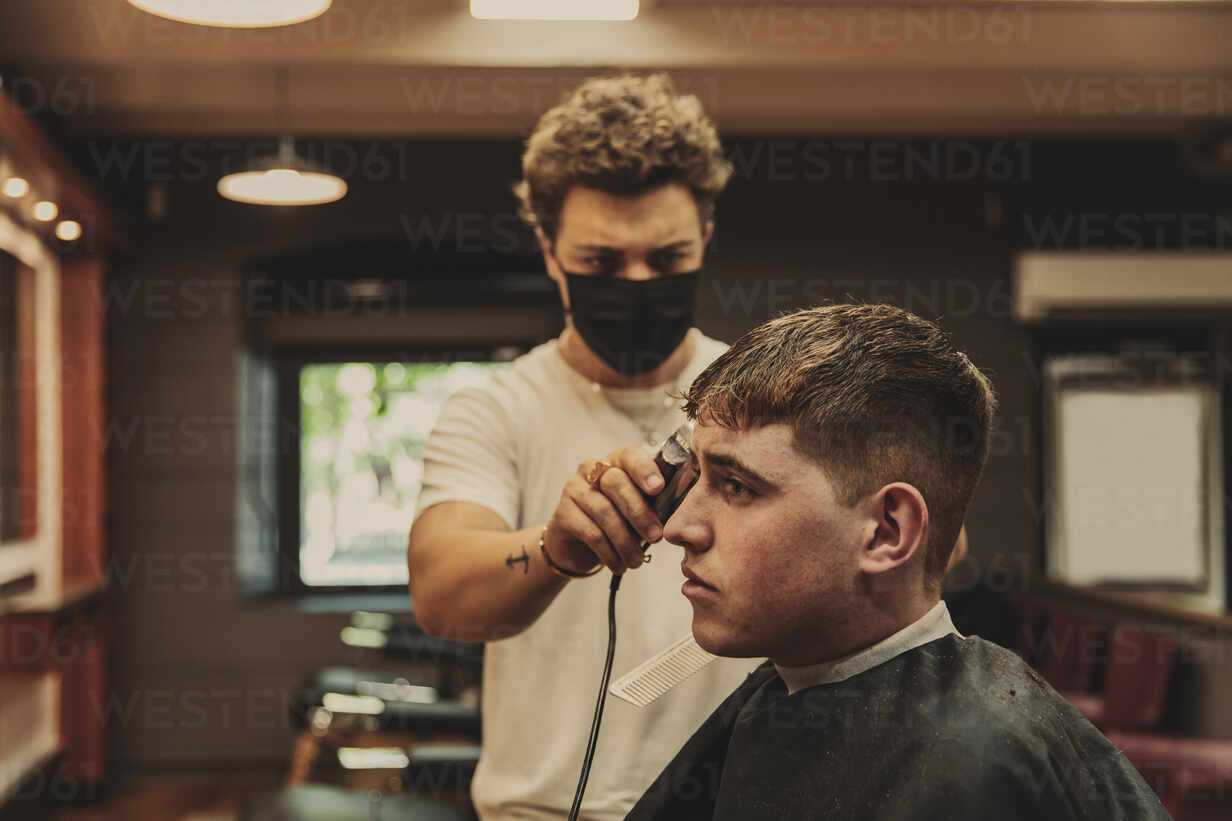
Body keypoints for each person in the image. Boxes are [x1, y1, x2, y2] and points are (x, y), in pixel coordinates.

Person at [624, 304, 1171, 820]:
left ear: (888, 531)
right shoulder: (783, 694)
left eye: (737, 486)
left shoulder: (979, 762)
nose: (678, 528)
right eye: (698, 476)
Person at [407, 74, 761, 821]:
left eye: (665, 261)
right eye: (601, 264)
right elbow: (442, 590)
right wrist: (558, 546)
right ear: (549, 253)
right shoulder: (496, 408)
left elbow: (929, 540)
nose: (636, 284)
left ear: (703, 241)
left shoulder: (769, 396)